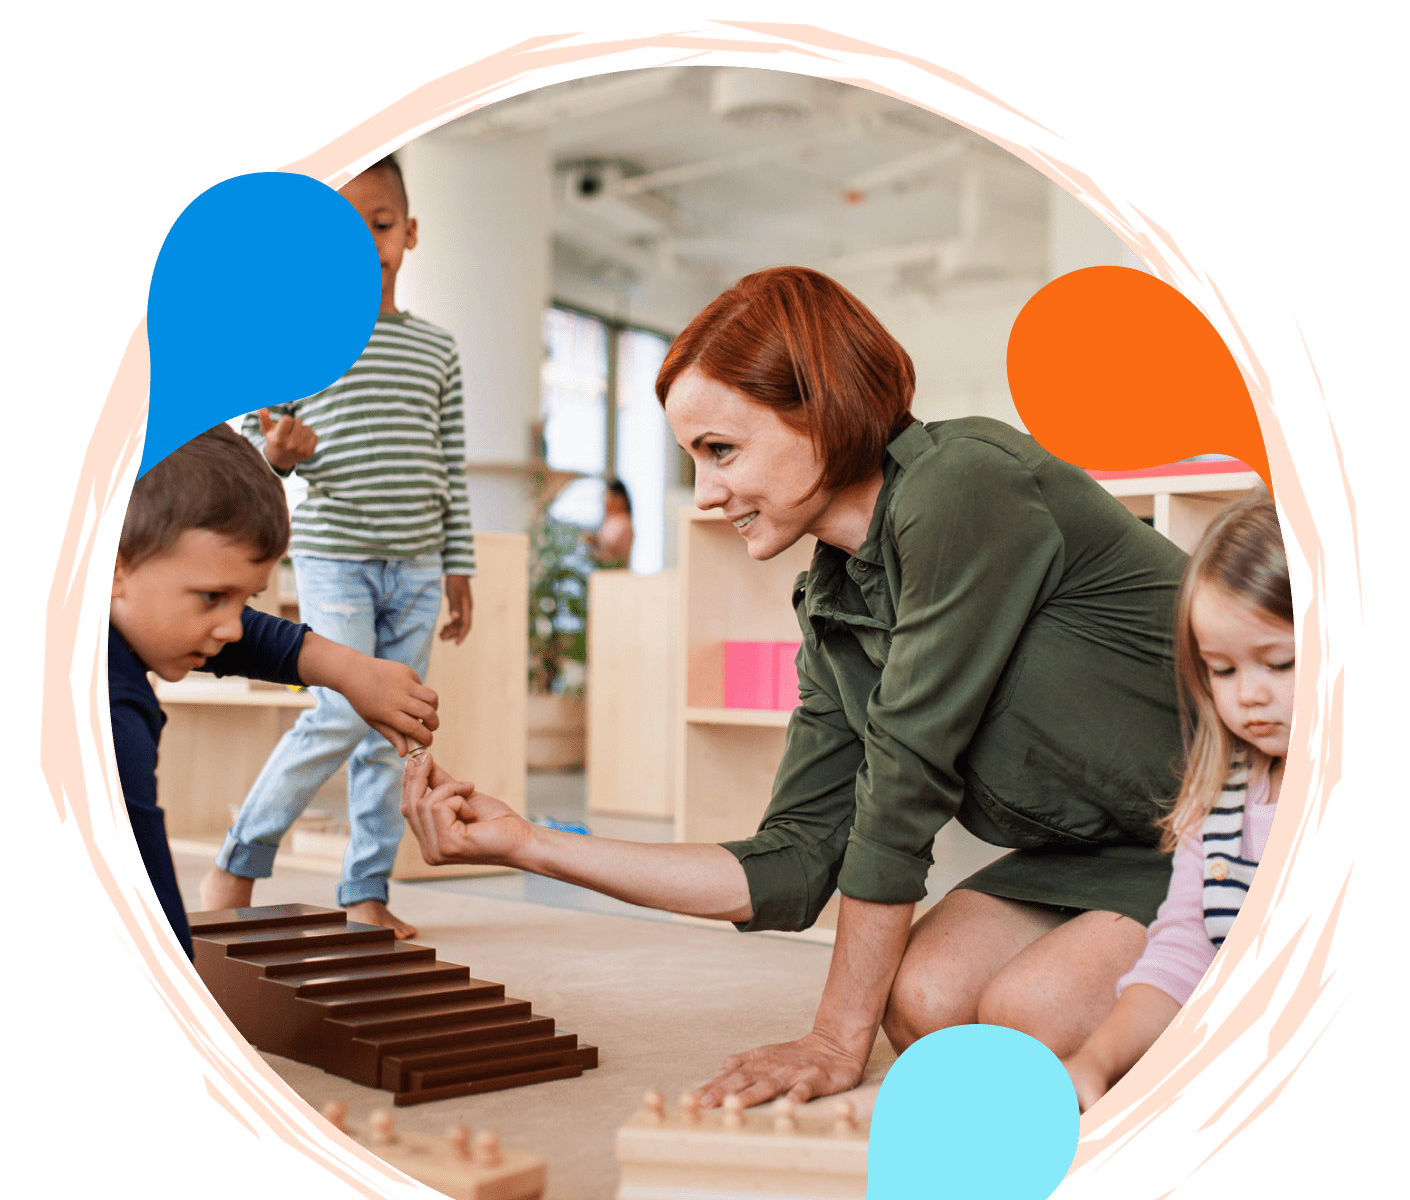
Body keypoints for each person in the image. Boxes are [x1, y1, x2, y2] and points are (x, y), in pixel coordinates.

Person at [403, 266, 1189, 1109]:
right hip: (1099, 856)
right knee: (920, 1003)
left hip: (1226, 832)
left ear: (821, 409)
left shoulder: (963, 485)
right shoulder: (833, 600)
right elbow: (793, 862)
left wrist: (833, 1038)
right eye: (694, 460)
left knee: (1026, 1014)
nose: (705, 495)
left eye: (721, 451)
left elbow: (903, 788)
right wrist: (532, 845)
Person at [201, 154, 473, 940]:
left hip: (419, 564)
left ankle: (365, 891)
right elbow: (258, 453)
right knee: (339, 711)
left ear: (409, 232)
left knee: (396, 729)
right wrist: (280, 452)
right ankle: (240, 859)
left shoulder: (437, 349)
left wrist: (459, 564)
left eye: (380, 225)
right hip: (335, 553)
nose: (365, 243)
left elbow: (449, 461)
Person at [109, 426, 439, 960]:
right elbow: (137, 899)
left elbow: (250, 639)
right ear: (114, 565)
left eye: (243, 600)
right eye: (213, 597)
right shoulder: (107, 717)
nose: (233, 628)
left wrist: (351, 669)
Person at [1063, 491, 1293, 1111]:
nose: (1248, 695)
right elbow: (1185, 949)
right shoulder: (1221, 797)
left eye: (1280, 662)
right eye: (1222, 670)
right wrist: (1097, 1060)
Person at [586, 478, 634, 568]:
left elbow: (617, 556)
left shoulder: (625, 524)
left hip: (615, 573)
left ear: (620, 499)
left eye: (609, 497)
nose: (605, 502)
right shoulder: (609, 522)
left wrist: (597, 542)